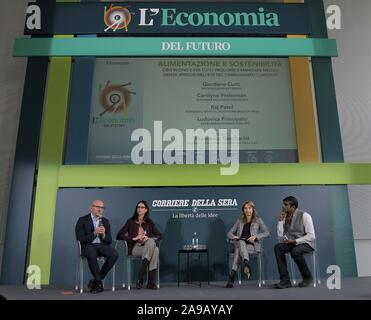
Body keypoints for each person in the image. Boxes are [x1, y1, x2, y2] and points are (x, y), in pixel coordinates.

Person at [75, 199, 118, 294]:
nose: (100, 209)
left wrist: (103, 235)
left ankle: (96, 280)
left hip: (101, 246)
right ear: (91, 208)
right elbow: (80, 239)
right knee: (91, 253)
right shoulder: (82, 220)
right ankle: (99, 283)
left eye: (102, 207)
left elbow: (109, 241)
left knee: (114, 254)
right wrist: (94, 233)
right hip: (88, 246)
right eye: (97, 207)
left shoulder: (105, 221)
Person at [116, 200, 162, 289]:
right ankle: (147, 280)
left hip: (147, 247)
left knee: (154, 246)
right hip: (135, 248)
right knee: (154, 249)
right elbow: (119, 235)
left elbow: (159, 235)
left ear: (146, 210)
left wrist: (148, 238)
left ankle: (143, 278)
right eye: (138, 207)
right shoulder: (130, 221)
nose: (140, 209)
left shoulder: (149, 222)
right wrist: (134, 238)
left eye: (142, 207)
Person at [273, 196, 316, 289]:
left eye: (285, 205)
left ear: (293, 207)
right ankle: (285, 280)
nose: (283, 207)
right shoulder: (285, 217)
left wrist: (295, 241)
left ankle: (307, 277)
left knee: (295, 251)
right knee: (278, 247)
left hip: (306, 243)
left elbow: (311, 236)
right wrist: (280, 221)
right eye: (283, 204)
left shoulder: (305, 216)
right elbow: (280, 236)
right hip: (292, 243)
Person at [226, 200, 270, 288]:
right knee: (241, 242)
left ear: (253, 209)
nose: (248, 210)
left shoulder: (258, 220)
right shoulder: (240, 221)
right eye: (245, 208)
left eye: (250, 208)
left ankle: (232, 276)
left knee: (238, 250)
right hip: (241, 243)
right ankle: (246, 262)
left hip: (252, 246)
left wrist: (256, 237)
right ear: (243, 210)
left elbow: (267, 232)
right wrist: (233, 237)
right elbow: (229, 233)